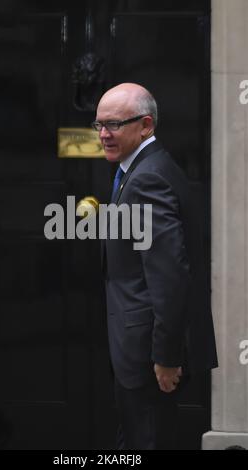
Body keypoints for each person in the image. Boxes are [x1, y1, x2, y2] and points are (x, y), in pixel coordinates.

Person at [93, 83, 218, 450]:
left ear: (145, 125)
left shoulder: (148, 177)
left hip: (149, 358)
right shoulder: (140, 168)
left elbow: (169, 277)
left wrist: (165, 357)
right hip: (137, 350)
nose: (103, 134)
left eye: (114, 124)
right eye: (99, 124)